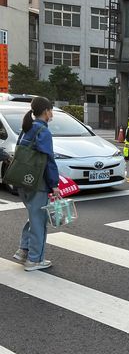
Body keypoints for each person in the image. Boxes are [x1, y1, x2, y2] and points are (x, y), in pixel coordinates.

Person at [12, 96, 59, 271]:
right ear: (46, 111)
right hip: (38, 183)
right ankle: (34, 259)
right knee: (39, 220)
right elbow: (49, 161)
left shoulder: (27, 128)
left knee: (34, 217)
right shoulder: (43, 132)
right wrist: (54, 184)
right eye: (51, 110)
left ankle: (23, 250)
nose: (52, 113)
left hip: (22, 180)